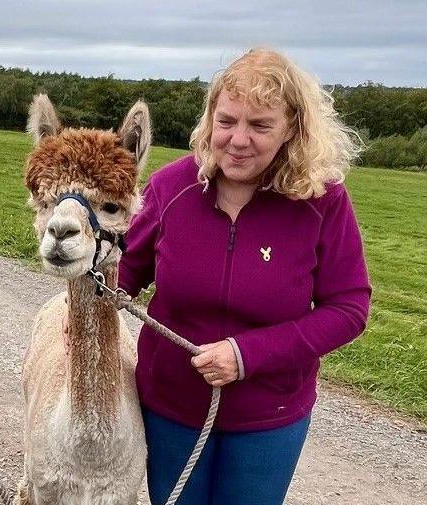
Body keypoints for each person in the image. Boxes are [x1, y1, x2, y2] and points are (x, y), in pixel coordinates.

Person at [117, 48, 371, 504]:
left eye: (259, 126)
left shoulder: (322, 200)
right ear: (210, 118)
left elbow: (349, 308)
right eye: (227, 120)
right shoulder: (171, 188)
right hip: (171, 409)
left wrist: (247, 354)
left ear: (291, 129)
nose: (237, 139)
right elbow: (122, 277)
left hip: (268, 418)